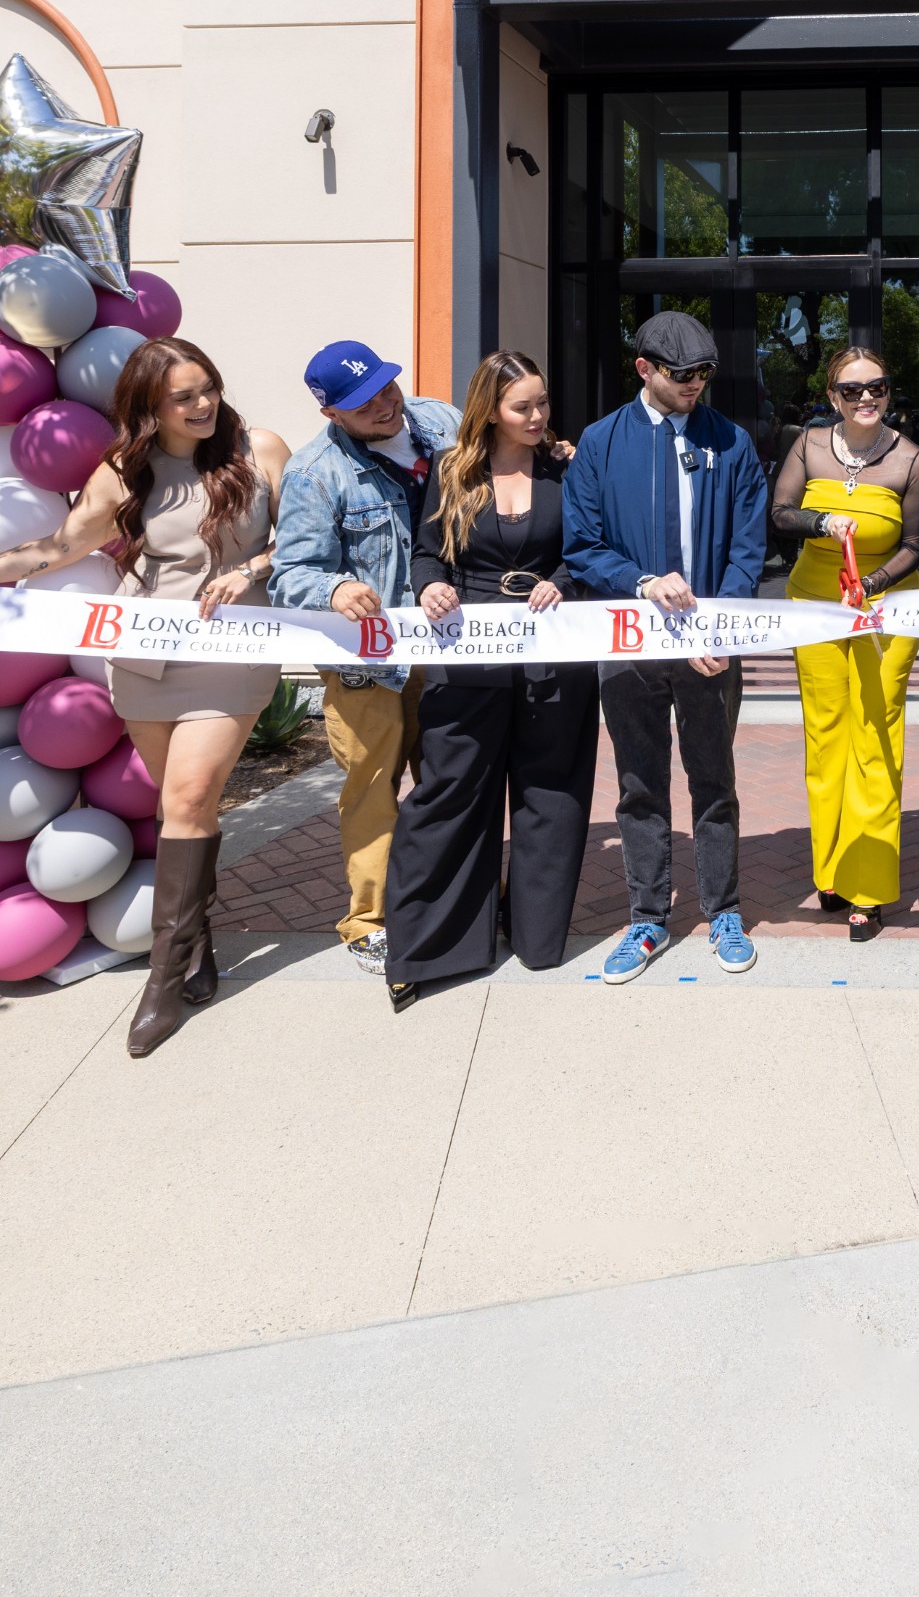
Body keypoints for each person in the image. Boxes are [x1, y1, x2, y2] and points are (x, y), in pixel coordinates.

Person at [0, 336, 288, 1058]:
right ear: (148, 409)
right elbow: (63, 545)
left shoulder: (260, 449)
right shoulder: (124, 468)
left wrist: (252, 562)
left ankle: (161, 980)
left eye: (208, 388)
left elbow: (302, 539)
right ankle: (196, 943)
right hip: (143, 655)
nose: (202, 404)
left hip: (234, 649)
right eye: (182, 397)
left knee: (190, 797)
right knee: (177, 806)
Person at [383, 355, 599, 1009]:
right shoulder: (451, 471)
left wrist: (560, 582)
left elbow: (589, 546)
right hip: (466, 653)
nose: (537, 417)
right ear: (489, 410)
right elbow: (427, 551)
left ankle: (534, 934)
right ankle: (430, 947)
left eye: (541, 403)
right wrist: (431, 584)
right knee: (450, 793)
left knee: (550, 793)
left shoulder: (569, 466)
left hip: (553, 655)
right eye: (522, 407)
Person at [562, 309, 767, 979]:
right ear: (644, 368)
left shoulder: (731, 441)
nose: (697, 385)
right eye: (684, 374)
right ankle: (648, 918)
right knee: (639, 784)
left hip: (707, 648)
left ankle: (723, 909)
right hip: (629, 646)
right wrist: (642, 581)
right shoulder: (600, 442)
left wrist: (719, 629)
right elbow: (583, 547)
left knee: (714, 779)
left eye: (706, 373)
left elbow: (747, 547)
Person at [270, 341, 460, 975]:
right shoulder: (313, 471)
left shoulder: (443, 424)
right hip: (367, 666)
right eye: (363, 401)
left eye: (385, 387)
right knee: (374, 792)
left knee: (448, 785)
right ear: (331, 413)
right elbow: (289, 573)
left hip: (445, 651)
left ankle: (441, 904)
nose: (384, 404)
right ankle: (369, 921)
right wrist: (336, 587)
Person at [770, 344, 919, 938]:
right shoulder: (809, 445)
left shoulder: (912, 461)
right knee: (827, 734)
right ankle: (833, 870)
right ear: (832, 396)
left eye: (878, 387)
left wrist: (869, 582)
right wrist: (820, 523)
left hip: (884, 609)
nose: (867, 398)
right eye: (852, 390)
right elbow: (781, 511)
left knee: (876, 734)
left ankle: (869, 886)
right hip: (813, 605)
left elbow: (916, 544)